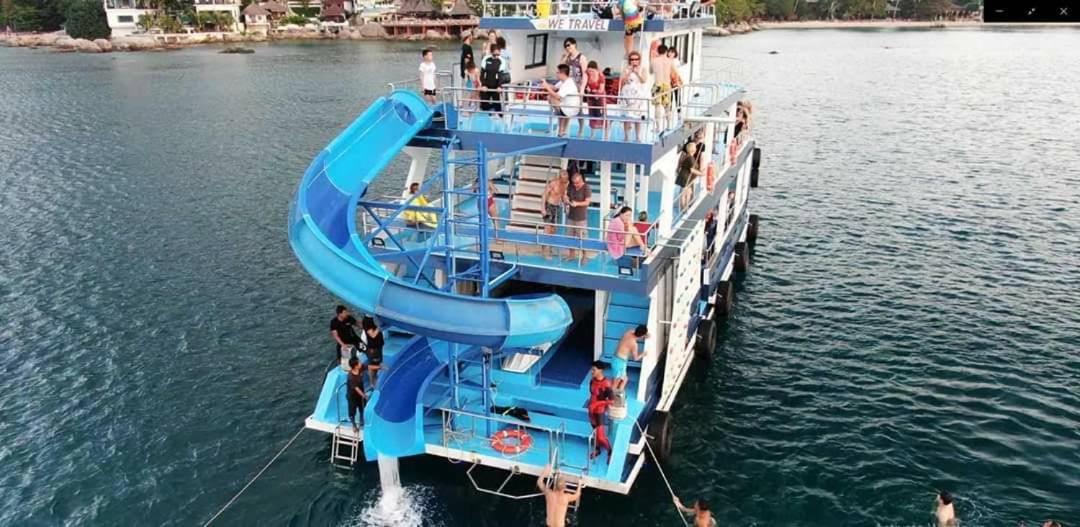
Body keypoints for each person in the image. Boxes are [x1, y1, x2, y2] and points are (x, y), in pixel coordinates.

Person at [540, 64, 581, 138]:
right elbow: (554, 88)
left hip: (570, 109)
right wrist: (545, 84)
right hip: (566, 106)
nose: (556, 74)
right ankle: (561, 130)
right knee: (553, 98)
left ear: (562, 73)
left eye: (557, 72)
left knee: (551, 97)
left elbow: (557, 96)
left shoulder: (568, 83)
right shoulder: (564, 81)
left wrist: (547, 88)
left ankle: (561, 128)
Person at [560, 38, 588, 138]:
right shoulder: (566, 58)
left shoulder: (581, 57)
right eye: (566, 46)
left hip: (578, 86)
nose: (567, 47)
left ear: (574, 44)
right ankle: (565, 130)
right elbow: (561, 70)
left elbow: (585, 74)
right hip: (569, 86)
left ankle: (581, 129)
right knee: (566, 107)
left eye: (569, 45)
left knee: (579, 109)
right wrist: (564, 58)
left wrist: (582, 88)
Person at [586, 361, 614, 461]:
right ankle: (597, 449)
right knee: (595, 432)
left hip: (599, 411)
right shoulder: (592, 381)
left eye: (594, 370)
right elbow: (592, 394)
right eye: (592, 369)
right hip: (591, 410)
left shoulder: (606, 384)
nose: (591, 371)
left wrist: (597, 404)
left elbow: (611, 401)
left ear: (600, 370)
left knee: (601, 437)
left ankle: (610, 451)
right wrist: (591, 406)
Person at [619, 51, 648, 142]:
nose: (634, 61)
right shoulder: (626, 69)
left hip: (638, 95)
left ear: (639, 60)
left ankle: (638, 136)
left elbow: (644, 80)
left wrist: (637, 73)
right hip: (627, 95)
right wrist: (629, 72)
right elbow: (623, 81)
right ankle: (626, 136)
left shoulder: (643, 68)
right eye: (632, 59)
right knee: (627, 116)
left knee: (637, 117)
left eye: (636, 59)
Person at [541, 169, 570, 259]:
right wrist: (542, 208)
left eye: (566, 179)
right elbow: (544, 195)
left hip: (557, 207)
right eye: (563, 179)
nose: (565, 181)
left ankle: (550, 249)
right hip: (549, 206)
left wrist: (566, 206)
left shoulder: (566, 184)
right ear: (559, 178)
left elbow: (563, 196)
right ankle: (544, 251)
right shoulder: (553, 183)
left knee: (553, 230)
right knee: (547, 230)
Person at [611, 324, 648, 392]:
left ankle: (619, 394)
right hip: (620, 362)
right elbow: (635, 358)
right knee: (617, 382)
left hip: (615, 359)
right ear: (642, 336)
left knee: (624, 379)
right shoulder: (634, 344)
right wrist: (643, 354)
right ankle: (611, 396)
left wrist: (645, 335)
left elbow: (636, 333)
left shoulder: (628, 332)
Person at [564, 171, 592, 263]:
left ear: (581, 180)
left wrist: (577, 204)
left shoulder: (586, 188)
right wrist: (566, 199)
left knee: (582, 237)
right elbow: (566, 196)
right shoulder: (571, 186)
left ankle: (585, 256)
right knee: (570, 236)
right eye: (574, 183)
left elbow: (587, 202)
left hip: (581, 218)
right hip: (571, 216)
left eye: (577, 183)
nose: (575, 185)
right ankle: (571, 255)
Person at [650, 42, 674, 132]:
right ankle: (668, 125)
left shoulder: (654, 61)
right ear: (666, 51)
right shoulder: (669, 61)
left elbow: (650, 71)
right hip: (667, 85)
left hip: (657, 85)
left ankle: (658, 127)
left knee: (657, 106)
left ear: (658, 51)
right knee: (667, 106)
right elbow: (672, 73)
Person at [479, 44, 507, 116]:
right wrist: (483, 85)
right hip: (486, 85)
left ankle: (500, 116)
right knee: (484, 104)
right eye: (495, 55)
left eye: (498, 54)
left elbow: (500, 75)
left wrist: (499, 86)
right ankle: (487, 115)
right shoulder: (486, 59)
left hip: (495, 86)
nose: (496, 56)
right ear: (491, 52)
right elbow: (482, 74)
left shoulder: (502, 61)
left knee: (497, 105)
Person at [582, 60, 607, 140]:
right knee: (592, 115)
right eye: (589, 71)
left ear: (596, 69)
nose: (591, 73)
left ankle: (606, 136)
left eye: (592, 71)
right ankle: (592, 135)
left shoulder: (601, 76)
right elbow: (584, 84)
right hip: (591, 98)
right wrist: (587, 89)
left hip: (600, 97)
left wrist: (593, 91)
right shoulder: (587, 73)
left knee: (603, 115)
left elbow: (601, 90)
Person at [677, 141, 704, 210]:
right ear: (693, 149)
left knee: (686, 193)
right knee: (686, 193)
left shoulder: (686, 156)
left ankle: (684, 209)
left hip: (684, 176)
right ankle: (684, 209)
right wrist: (701, 174)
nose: (696, 149)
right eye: (695, 147)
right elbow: (692, 170)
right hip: (686, 177)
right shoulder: (691, 158)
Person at [361, 316, 384, 388]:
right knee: (372, 365)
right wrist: (379, 326)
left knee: (377, 362)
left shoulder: (373, 318)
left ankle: (375, 379)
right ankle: (372, 383)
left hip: (378, 346)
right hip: (374, 348)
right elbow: (372, 335)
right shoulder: (367, 321)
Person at [346, 357, 367, 432]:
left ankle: (361, 420)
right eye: (359, 362)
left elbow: (368, 366)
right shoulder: (351, 377)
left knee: (362, 407)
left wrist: (380, 367)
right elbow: (357, 389)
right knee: (352, 412)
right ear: (355, 366)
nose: (361, 363)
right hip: (352, 396)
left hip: (360, 395)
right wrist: (365, 396)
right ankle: (354, 425)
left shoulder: (360, 368)